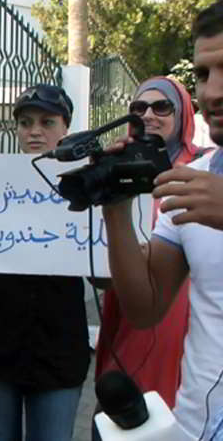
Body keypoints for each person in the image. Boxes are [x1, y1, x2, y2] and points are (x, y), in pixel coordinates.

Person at [102, 0, 223, 439]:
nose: (212, 92)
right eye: (205, 74)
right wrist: (114, 209)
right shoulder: (191, 182)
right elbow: (144, 306)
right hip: (194, 427)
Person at [0, 84, 90, 441]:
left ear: (65, 127)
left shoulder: (86, 183)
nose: (35, 131)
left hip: (58, 348)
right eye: (25, 123)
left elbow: (104, 274)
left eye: (47, 122)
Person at [94, 77, 208, 418]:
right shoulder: (118, 164)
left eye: (162, 107)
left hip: (186, 321)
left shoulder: (203, 172)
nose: (148, 115)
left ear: (183, 113)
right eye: (138, 108)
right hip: (130, 315)